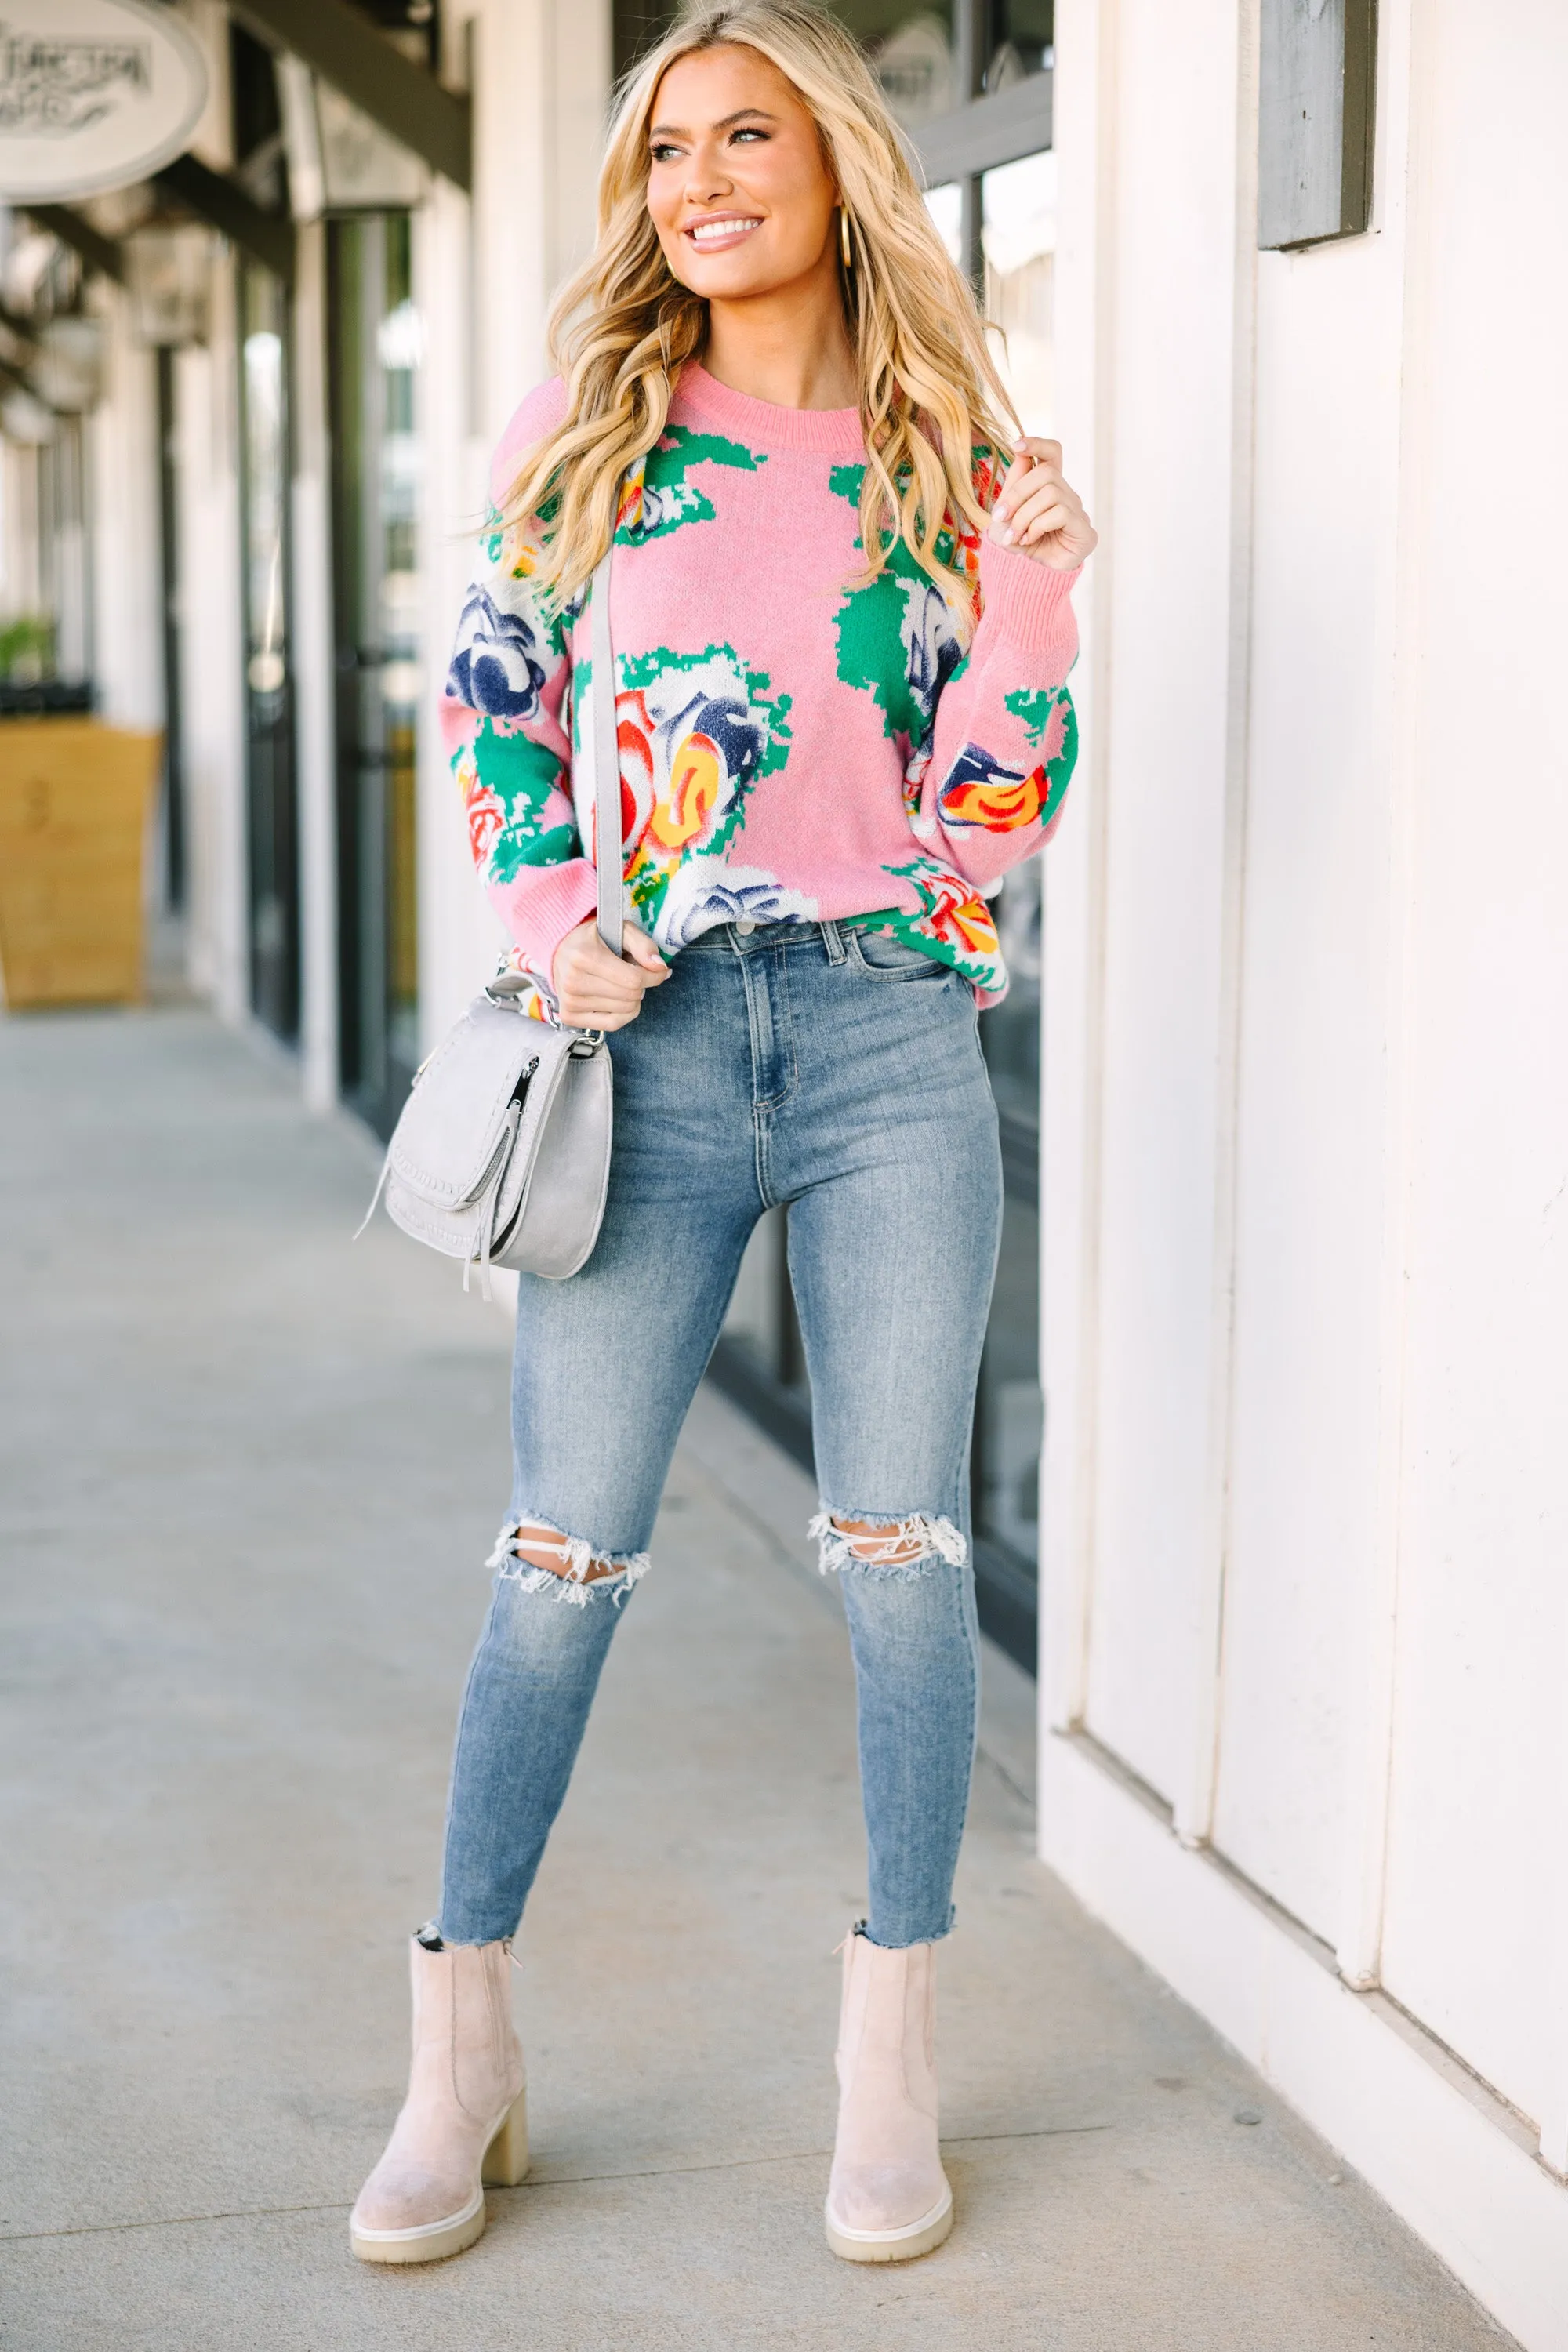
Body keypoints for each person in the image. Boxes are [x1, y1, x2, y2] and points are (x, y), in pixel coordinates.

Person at [350, 0, 1095, 2270]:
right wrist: (560, 914)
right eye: (666, 149)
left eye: (741, 134)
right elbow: (495, 704)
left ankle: (889, 2057)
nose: (696, 180)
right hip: (648, 1054)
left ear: (837, 161)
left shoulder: (948, 448)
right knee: (560, 1559)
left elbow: (989, 822)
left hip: (884, 1038)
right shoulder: (590, 429)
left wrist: (1041, 590)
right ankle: (457, 2046)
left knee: (902, 1558)